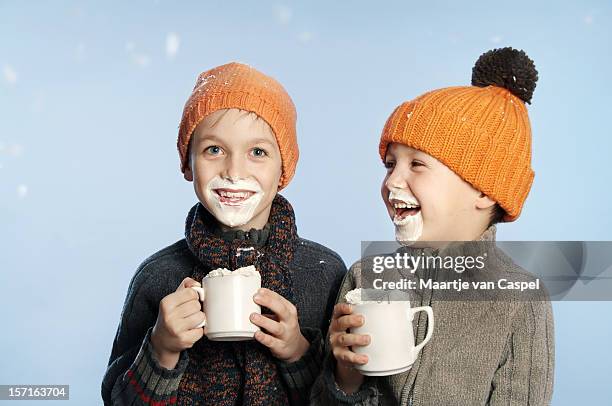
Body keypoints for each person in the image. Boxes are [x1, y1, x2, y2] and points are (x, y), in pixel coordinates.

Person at [311, 47, 554, 405]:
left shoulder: (521, 300)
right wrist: (344, 377)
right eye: (390, 164)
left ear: (484, 190)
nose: (393, 181)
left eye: (417, 165)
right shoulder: (365, 278)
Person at [101, 62, 347, 405]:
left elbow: (350, 393)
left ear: (284, 169)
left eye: (257, 152)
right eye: (213, 150)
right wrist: (161, 349)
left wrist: (298, 352)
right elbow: (117, 399)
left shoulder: (324, 273)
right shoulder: (158, 277)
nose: (233, 171)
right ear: (188, 164)